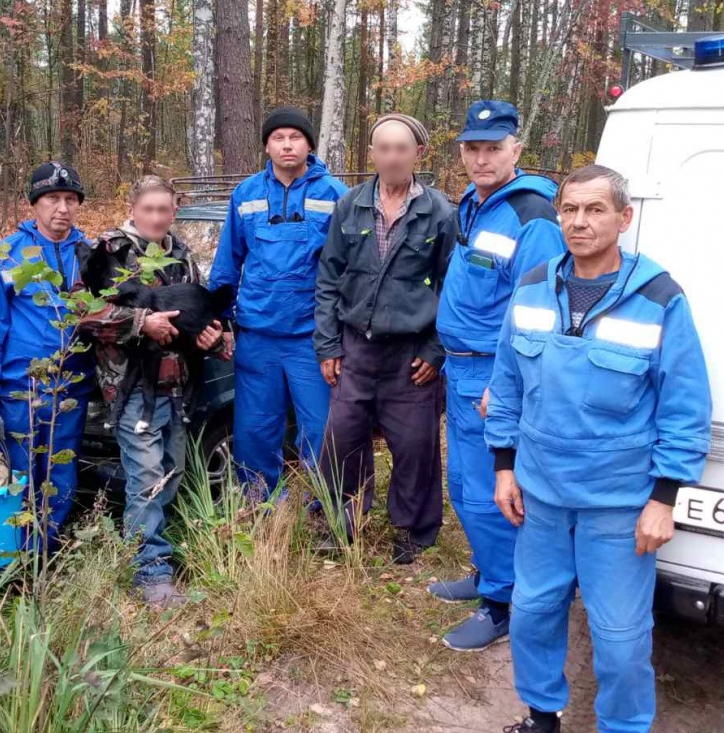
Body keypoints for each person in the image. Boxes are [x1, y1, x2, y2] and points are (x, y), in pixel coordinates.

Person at [486, 165, 712, 733]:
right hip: (539, 494)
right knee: (534, 615)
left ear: (624, 218)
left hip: (618, 504)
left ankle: (624, 726)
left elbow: (684, 407)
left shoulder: (658, 298)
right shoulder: (535, 285)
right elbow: (507, 381)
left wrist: (664, 498)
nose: (579, 222)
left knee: (618, 637)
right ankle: (542, 716)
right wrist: (504, 467)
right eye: (569, 210)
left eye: (594, 210)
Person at [431, 101, 566, 651]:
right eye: (473, 148)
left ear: (516, 149)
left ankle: (505, 603)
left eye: (493, 148)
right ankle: (490, 572)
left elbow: (535, 311)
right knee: (464, 487)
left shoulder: (533, 214)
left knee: (494, 493)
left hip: (490, 376)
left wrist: (504, 385)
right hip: (458, 368)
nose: (482, 158)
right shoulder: (475, 203)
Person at [75, 176, 225, 608]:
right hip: (131, 387)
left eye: (165, 209)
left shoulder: (180, 253)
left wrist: (212, 337)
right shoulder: (109, 251)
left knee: (171, 471)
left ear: (174, 210)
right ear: (134, 208)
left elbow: (200, 311)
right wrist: (142, 323)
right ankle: (150, 571)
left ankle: (155, 546)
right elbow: (83, 311)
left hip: (179, 385)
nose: (158, 217)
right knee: (145, 480)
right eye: (149, 209)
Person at [313, 114, 457, 564]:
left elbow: (454, 290)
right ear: (371, 153)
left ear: (418, 153)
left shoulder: (440, 212)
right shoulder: (350, 205)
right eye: (383, 148)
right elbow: (328, 280)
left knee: (415, 446)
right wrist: (328, 345)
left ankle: (414, 531)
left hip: (411, 354)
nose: (392, 157)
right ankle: (342, 522)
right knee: (342, 439)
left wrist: (436, 351)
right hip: (356, 347)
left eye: (401, 148)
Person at [208, 107, 348, 497]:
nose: (287, 145)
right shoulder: (247, 194)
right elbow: (227, 263)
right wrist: (221, 321)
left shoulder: (335, 195)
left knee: (321, 431)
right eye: (278, 138)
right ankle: (259, 506)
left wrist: (339, 335)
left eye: (296, 137)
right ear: (267, 145)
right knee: (255, 431)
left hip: (312, 340)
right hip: (257, 338)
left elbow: (350, 271)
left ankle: (327, 512)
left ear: (309, 144)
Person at [0, 161, 93, 551]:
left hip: (70, 391)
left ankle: (43, 556)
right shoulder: (5, 257)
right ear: (34, 203)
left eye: (71, 199)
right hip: (19, 392)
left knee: (60, 475)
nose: (62, 208)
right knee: (17, 477)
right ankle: (7, 559)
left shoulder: (92, 253)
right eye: (52, 198)